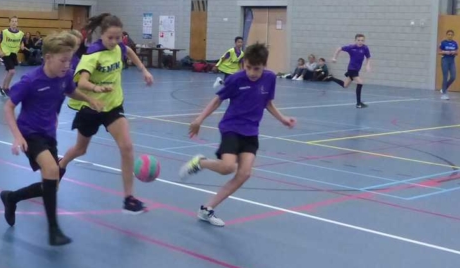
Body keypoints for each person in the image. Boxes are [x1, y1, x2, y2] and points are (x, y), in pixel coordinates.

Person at [0, 31, 103, 246]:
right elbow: (8, 107)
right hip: (29, 133)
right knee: (52, 170)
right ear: (48, 58)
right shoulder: (31, 80)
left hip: (49, 134)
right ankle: (54, 231)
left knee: (51, 185)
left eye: (70, 60)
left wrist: (89, 99)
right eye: (63, 60)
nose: (67, 65)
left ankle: (11, 197)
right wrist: (17, 136)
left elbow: (70, 91)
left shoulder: (64, 76)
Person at [180, 42, 297, 227]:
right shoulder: (235, 79)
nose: (251, 72)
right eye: (248, 67)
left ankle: (206, 209)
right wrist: (199, 119)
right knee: (227, 167)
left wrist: (282, 119)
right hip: (231, 127)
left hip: (251, 131)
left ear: (264, 66)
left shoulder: (270, 78)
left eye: (256, 69)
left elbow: (267, 102)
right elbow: (217, 100)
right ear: (244, 64)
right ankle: (200, 162)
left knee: (244, 174)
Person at [58, 13, 155, 214]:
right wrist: (96, 88)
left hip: (113, 107)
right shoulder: (92, 54)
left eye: (118, 37)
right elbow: (81, 82)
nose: (114, 41)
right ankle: (61, 164)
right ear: (102, 35)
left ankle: (129, 199)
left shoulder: (119, 48)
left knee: (127, 147)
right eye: (110, 37)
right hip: (91, 107)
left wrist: (144, 70)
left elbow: (129, 51)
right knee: (80, 149)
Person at [329, 34, 372, 108]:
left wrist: (367, 65)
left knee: (345, 85)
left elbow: (368, 57)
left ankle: (331, 78)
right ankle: (358, 103)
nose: (360, 42)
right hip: (352, 68)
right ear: (355, 40)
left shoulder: (365, 48)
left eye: (362, 40)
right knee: (360, 82)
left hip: (357, 69)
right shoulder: (351, 47)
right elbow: (339, 48)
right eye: (358, 40)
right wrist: (334, 58)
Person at [0, 17, 26, 96]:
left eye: (15, 21)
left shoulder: (20, 33)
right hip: (5, 53)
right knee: (12, 71)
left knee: (9, 72)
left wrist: (22, 45)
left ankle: (2, 87)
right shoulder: (4, 32)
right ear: (9, 23)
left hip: (13, 54)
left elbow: (21, 42)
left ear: (17, 23)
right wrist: (0, 51)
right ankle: (6, 88)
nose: (14, 23)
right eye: (12, 21)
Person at [438, 29, 458, 100]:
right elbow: (439, 52)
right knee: (445, 76)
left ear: (453, 35)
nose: (450, 36)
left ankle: (444, 88)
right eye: (449, 34)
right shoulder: (443, 42)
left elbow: (457, 52)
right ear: (446, 35)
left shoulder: (455, 43)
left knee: (453, 76)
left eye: (451, 35)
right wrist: (445, 52)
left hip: (452, 60)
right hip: (445, 60)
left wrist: (454, 52)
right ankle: (444, 94)